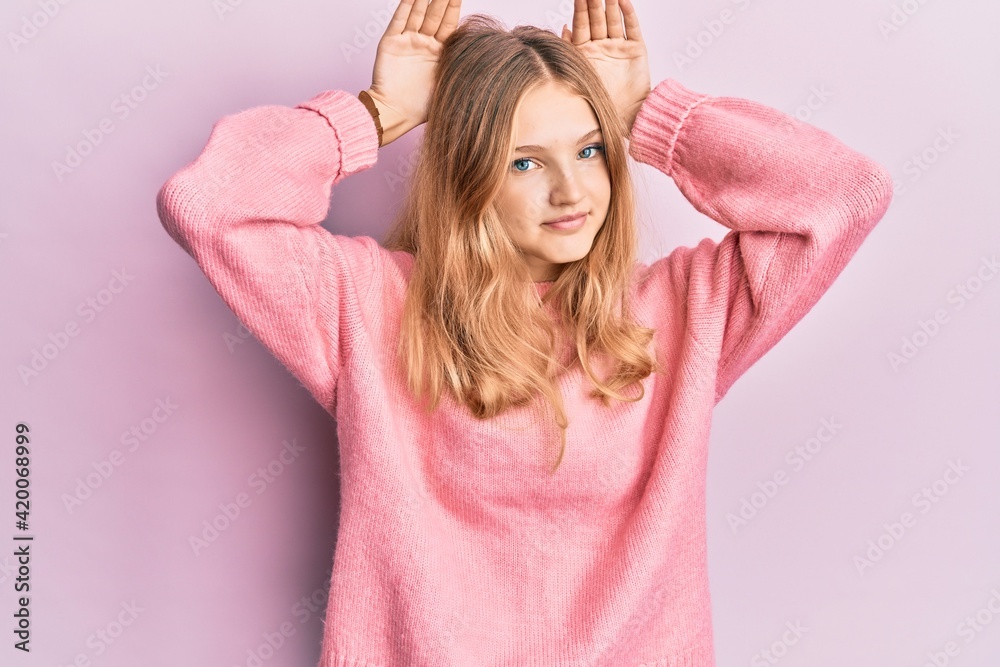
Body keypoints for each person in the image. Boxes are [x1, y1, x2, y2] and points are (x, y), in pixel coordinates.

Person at [155, 0, 893, 663]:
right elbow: (209, 205)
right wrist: (376, 113)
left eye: (589, 149)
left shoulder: (682, 312)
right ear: (468, 179)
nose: (572, 190)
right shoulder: (370, 305)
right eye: (525, 161)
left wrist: (648, 116)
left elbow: (843, 195)